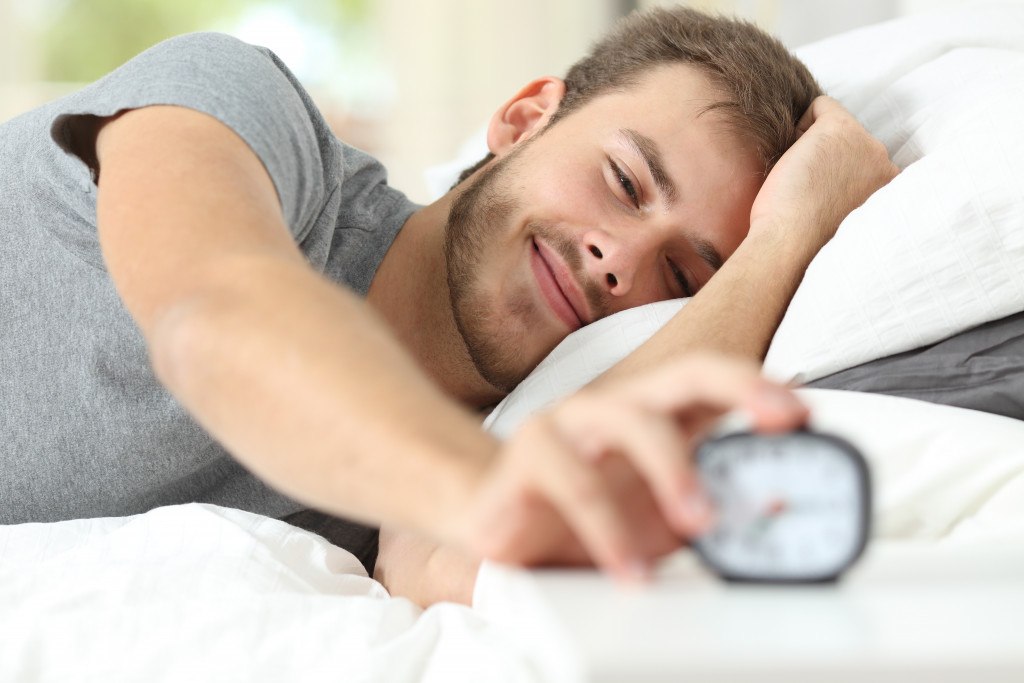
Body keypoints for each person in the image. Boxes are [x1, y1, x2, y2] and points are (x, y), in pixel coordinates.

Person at [0, 6, 897, 605]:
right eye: (623, 181)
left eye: (682, 276)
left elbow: (448, 564)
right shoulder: (246, 109)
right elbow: (213, 316)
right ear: (522, 119)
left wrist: (789, 239)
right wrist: (483, 487)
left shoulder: (467, 452)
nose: (617, 261)